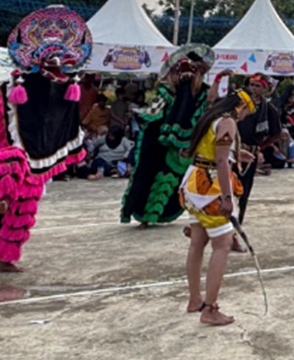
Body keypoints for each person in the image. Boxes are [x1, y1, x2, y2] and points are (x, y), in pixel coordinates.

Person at [0, 6, 93, 272]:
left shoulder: (60, 87)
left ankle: (3, 251)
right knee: (12, 201)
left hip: (34, 154)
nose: (58, 67)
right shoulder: (13, 87)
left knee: (25, 203)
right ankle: (4, 256)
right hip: (12, 155)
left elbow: (63, 112)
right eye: (51, 61)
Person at [180, 89, 255, 327]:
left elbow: (215, 151)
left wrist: (235, 153)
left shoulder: (211, 116)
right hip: (209, 187)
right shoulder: (227, 121)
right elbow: (221, 160)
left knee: (198, 241)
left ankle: (195, 300)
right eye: (245, 113)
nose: (243, 118)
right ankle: (210, 309)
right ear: (241, 108)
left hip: (193, 181)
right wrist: (227, 197)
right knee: (221, 245)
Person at [119, 45, 213, 227]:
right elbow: (152, 113)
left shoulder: (198, 94)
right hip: (157, 142)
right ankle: (145, 215)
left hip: (179, 146)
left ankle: (154, 215)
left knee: (168, 179)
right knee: (148, 175)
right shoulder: (167, 93)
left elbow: (202, 107)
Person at [234, 74, 281, 223]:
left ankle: (237, 224)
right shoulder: (237, 103)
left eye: (257, 86)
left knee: (244, 189)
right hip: (231, 149)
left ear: (264, 89)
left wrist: (260, 147)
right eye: (251, 85)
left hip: (250, 153)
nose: (253, 88)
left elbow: (276, 133)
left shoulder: (268, 109)